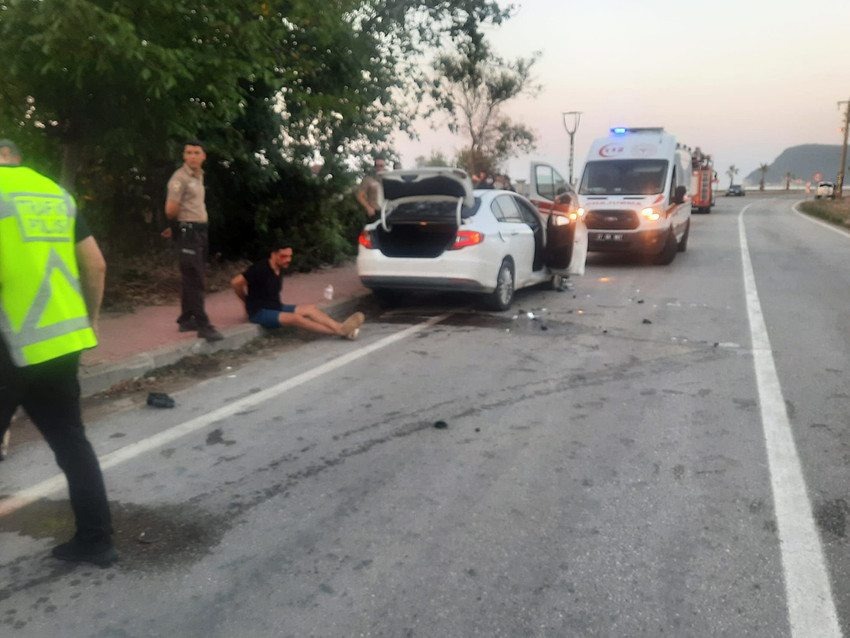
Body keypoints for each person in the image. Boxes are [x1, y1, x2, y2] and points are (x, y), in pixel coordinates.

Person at [0, 139, 117, 566]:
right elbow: (96, 264)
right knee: (71, 442)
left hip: (8, 344)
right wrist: (93, 321)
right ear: (16, 157)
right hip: (62, 340)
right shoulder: (55, 193)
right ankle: (96, 541)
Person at [231, 244, 365, 339]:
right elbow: (235, 282)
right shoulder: (260, 269)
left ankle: (340, 327)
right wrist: (245, 300)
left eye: (290, 256)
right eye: (283, 256)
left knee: (311, 309)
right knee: (296, 318)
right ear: (273, 255)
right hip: (259, 312)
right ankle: (339, 331)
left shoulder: (279, 267)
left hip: (275, 307)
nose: (288, 259)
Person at [165, 139, 223, 342]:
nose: (192, 156)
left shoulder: (198, 176)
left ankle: (186, 319)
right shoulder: (179, 178)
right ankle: (203, 325)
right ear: (183, 155)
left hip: (199, 231)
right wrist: (179, 227)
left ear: (203, 156)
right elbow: (171, 209)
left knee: (191, 276)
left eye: (196, 153)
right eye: (188, 152)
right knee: (196, 279)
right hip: (189, 233)